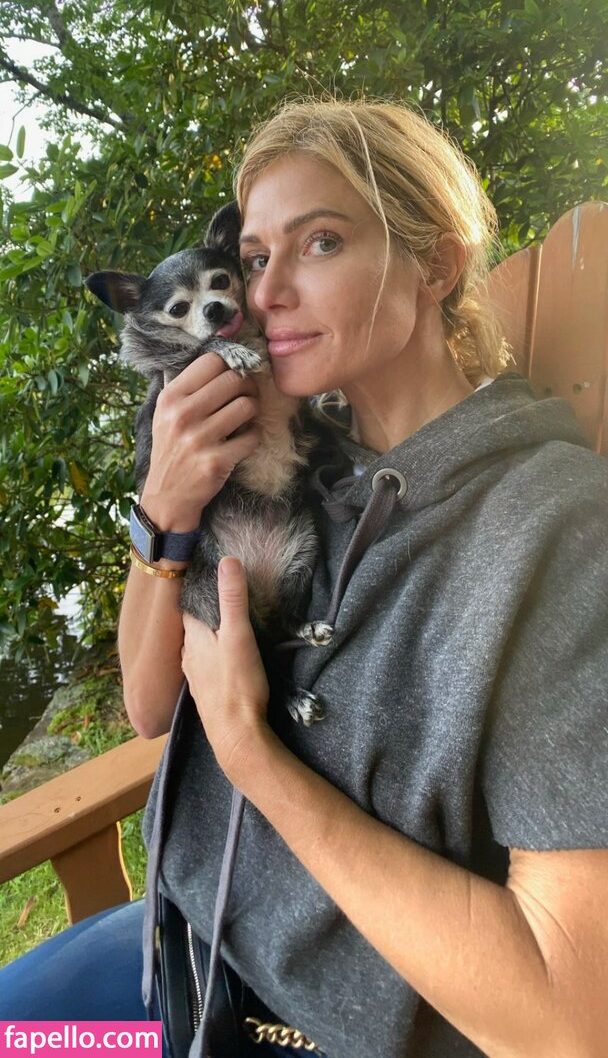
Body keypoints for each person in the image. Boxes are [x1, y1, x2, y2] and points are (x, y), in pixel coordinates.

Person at [2, 97, 607, 1057]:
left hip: (296, 1024)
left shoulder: (554, 531)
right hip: (180, 943)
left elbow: (568, 1024)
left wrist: (253, 758)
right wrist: (164, 506)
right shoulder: (298, 460)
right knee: (14, 1029)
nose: (265, 291)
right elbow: (149, 704)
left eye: (320, 242)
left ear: (436, 265)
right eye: (253, 258)